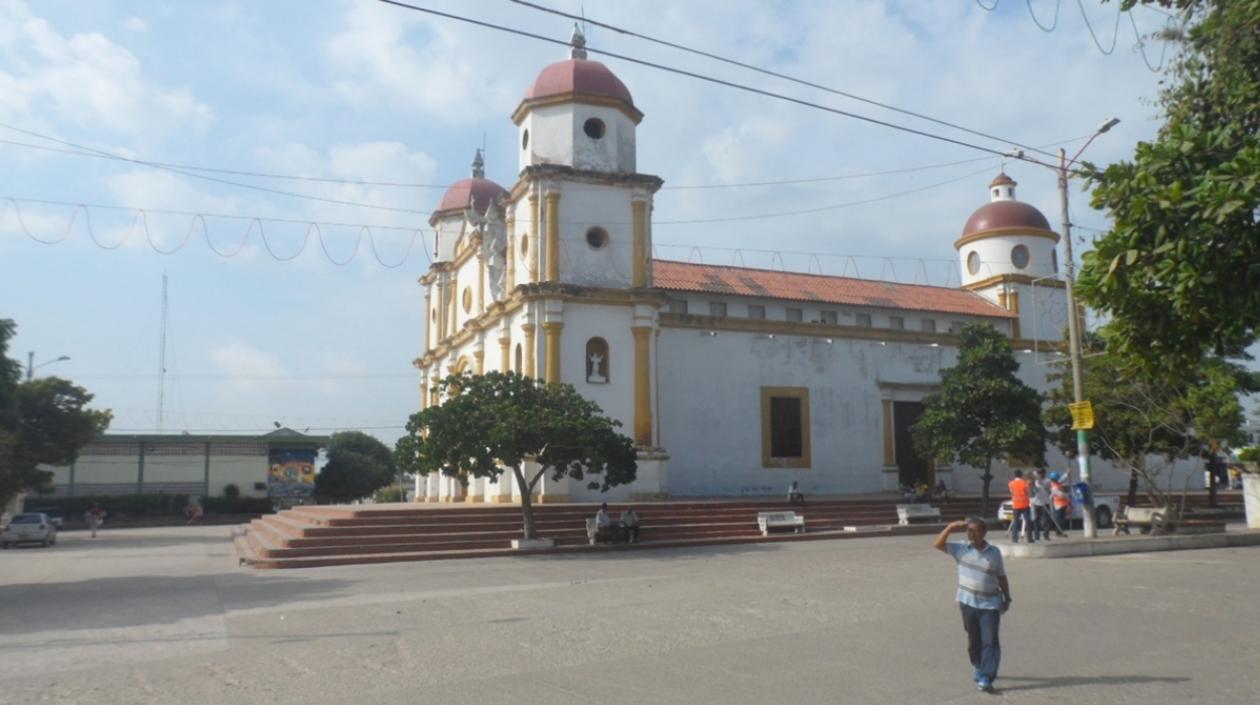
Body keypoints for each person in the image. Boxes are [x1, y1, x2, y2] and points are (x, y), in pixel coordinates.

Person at [934, 518, 1012, 692]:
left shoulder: (994, 553)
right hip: (967, 602)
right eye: (968, 530)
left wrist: (1007, 597)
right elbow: (938, 544)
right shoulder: (961, 549)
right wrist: (950, 526)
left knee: (990, 641)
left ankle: (986, 675)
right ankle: (978, 665)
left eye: (975, 531)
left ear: (984, 533)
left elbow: (1001, 576)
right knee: (973, 640)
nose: (971, 534)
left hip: (990, 603)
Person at [1030, 469, 1063, 539]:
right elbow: (1033, 491)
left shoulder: (1047, 481)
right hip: (1036, 502)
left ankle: (1046, 535)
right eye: (1038, 474)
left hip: (1045, 502)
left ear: (1044, 474)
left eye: (1041, 474)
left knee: (1046, 520)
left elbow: (1047, 487)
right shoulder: (1035, 482)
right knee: (1036, 520)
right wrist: (1032, 483)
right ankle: (1036, 535)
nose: (1039, 475)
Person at [1007, 470, 1033, 543]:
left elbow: (1011, 492)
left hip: (1016, 504)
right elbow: (1028, 492)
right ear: (1021, 475)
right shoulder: (1025, 483)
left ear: (1014, 475)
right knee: (1028, 521)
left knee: (1016, 522)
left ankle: (1015, 539)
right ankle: (1029, 538)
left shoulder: (1011, 483)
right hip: (1025, 504)